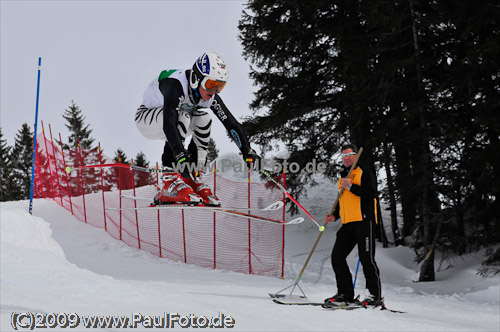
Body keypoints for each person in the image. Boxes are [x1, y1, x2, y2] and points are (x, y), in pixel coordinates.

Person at [135, 52, 260, 206]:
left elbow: (230, 122)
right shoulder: (175, 85)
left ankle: (192, 178)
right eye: (210, 85)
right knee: (182, 116)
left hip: (174, 121)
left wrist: (247, 150)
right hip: (146, 117)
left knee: (204, 118)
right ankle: (169, 182)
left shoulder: (209, 95)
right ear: (196, 78)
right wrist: (180, 154)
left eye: (219, 86)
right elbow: (169, 121)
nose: (214, 91)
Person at [323, 143, 382, 306]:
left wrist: (351, 186)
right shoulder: (343, 176)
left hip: (364, 222)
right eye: (344, 156)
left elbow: (372, 194)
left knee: (367, 260)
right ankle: (345, 294)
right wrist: (334, 215)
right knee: (337, 257)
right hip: (348, 224)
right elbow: (343, 200)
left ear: (356, 156)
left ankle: (374, 297)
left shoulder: (365, 171)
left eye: (350, 154)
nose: (347, 158)